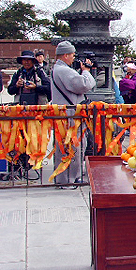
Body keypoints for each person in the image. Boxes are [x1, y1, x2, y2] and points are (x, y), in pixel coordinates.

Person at [50, 41, 96, 187]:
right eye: (72, 55)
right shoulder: (63, 70)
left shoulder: (58, 69)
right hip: (70, 115)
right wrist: (86, 71)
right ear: (66, 55)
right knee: (73, 146)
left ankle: (67, 178)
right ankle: (69, 179)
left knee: (66, 146)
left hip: (65, 114)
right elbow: (84, 84)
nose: (74, 58)